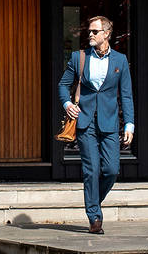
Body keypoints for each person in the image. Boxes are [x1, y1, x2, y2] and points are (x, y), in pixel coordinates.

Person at [58, 15, 135, 234]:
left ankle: (93, 201)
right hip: (85, 122)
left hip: (110, 123)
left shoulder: (120, 60)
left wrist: (129, 124)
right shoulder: (79, 57)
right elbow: (63, 85)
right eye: (89, 31)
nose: (90, 35)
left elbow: (126, 96)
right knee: (91, 171)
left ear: (107, 34)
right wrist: (67, 104)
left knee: (111, 170)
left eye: (94, 31)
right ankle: (94, 216)